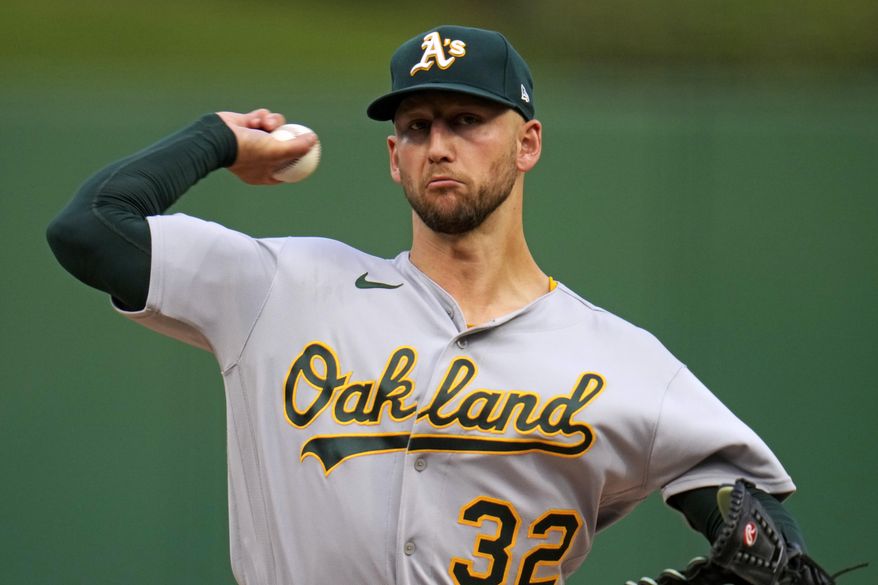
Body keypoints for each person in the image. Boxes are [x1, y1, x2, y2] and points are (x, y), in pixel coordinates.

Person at [47, 24, 837, 585]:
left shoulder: (620, 360)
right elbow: (90, 228)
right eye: (417, 126)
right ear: (394, 159)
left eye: (467, 120)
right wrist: (218, 137)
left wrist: (760, 537)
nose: (439, 145)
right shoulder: (282, 286)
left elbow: (762, 539)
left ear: (527, 143)